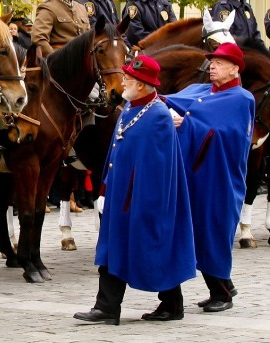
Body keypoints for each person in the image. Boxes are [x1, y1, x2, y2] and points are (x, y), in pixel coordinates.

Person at [73, 56, 195, 325]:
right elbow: (116, 153)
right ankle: (107, 307)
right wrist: (104, 188)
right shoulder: (129, 108)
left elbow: (160, 169)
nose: (123, 80)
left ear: (141, 85)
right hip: (120, 195)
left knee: (153, 247)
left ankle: (172, 303)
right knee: (112, 247)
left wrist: (146, 204)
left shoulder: (159, 116)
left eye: (128, 77)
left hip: (143, 199)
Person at [165, 42, 255, 312]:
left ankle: (223, 293)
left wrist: (187, 122)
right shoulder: (200, 89)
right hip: (194, 172)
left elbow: (229, 133)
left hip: (220, 176)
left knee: (213, 228)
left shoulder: (241, 98)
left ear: (235, 69)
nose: (212, 66)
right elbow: (167, 101)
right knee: (197, 229)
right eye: (211, 62)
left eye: (219, 62)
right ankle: (222, 286)